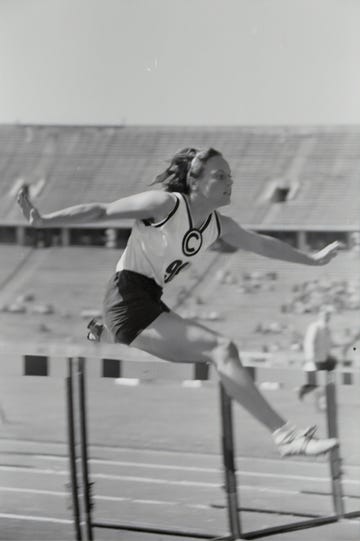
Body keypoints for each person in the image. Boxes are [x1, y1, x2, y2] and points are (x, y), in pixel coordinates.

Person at [17, 147, 342, 457]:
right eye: (220, 175)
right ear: (195, 182)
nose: (230, 182)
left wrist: (312, 260)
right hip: (127, 297)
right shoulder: (165, 205)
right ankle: (286, 437)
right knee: (221, 349)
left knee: (212, 354)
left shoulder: (219, 226)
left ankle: (103, 331)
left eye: (230, 176)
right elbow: (102, 210)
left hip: (150, 301)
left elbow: (262, 245)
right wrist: (44, 220)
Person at [298, 307, 337, 401]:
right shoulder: (314, 327)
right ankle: (302, 391)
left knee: (333, 363)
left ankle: (327, 395)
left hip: (324, 359)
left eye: (328, 315)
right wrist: (310, 357)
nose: (327, 317)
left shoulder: (327, 329)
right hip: (315, 360)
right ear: (320, 316)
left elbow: (330, 344)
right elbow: (308, 342)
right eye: (325, 315)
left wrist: (347, 344)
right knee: (314, 384)